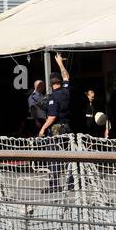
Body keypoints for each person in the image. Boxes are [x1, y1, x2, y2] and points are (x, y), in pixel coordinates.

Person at [39, 54, 72, 192]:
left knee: (54, 157)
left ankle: (54, 184)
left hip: (56, 129)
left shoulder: (53, 97)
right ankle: (71, 183)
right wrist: (60, 63)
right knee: (70, 156)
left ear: (51, 84)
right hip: (68, 127)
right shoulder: (66, 91)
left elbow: (52, 116)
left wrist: (42, 129)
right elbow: (66, 76)